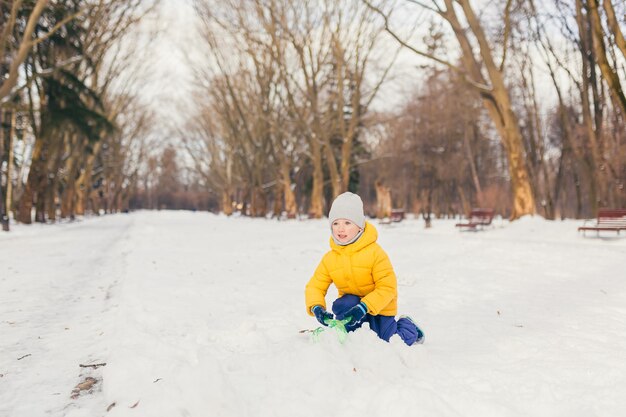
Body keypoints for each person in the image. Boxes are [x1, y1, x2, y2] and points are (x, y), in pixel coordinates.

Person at [305, 192, 424, 346]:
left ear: (360, 226)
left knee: (388, 341)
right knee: (349, 322)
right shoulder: (330, 258)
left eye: (347, 223)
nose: (341, 229)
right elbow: (315, 285)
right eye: (335, 223)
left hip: (380, 307)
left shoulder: (375, 253)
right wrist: (316, 307)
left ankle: (408, 325)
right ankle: (352, 329)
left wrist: (364, 307)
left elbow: (388, 287)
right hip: (351, 308)